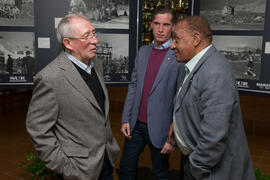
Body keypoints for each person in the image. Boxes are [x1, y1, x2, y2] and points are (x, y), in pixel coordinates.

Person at [26, 14, 120, 180]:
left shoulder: (96, 63)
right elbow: (38, 128)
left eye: (93, 33)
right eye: (86, 36)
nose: (95, 41)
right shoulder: (50, 78)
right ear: (68, 43)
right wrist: (64, 167)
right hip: (78, 170)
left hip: (105, 161)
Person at [168, 16, 255, 180]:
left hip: (209, 172)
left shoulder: (215, 72)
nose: (172, 46)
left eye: (176, 40)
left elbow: (214, 138)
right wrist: (178, 122)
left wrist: (197, 168)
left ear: (195, 39)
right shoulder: (200, 64)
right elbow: (194, 102)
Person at [118, 6, 185, 180]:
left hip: (161, 129)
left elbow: (181, 99)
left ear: (173, 26)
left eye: (166, 24)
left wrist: (173, 137)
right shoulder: (143, 52)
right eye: (156, 23)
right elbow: (133, 86)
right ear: (151, 24)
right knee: (125, 168)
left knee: (160, 173)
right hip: (136, 125)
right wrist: (126, 117)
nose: (161, 29)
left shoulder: (179, 56)